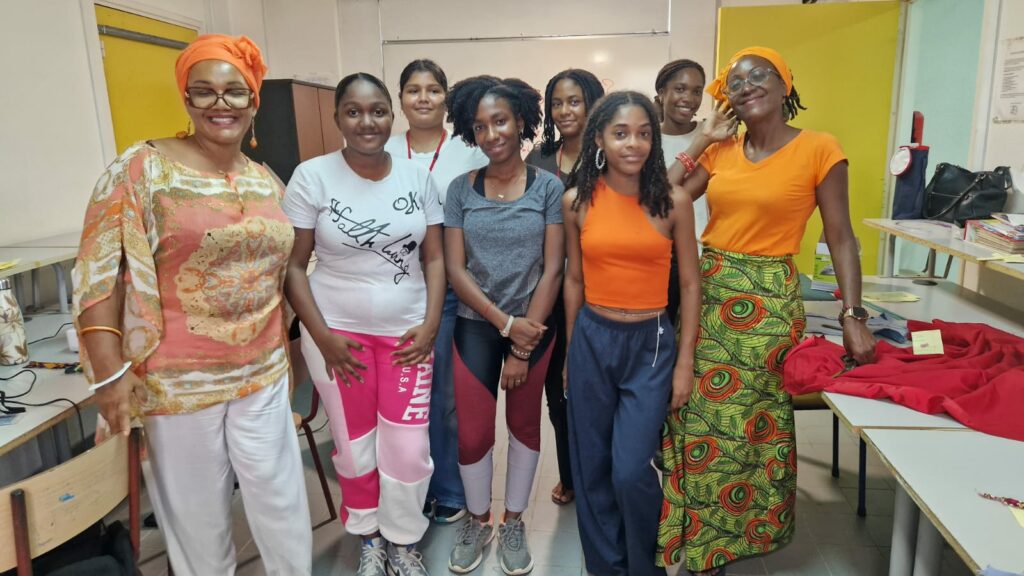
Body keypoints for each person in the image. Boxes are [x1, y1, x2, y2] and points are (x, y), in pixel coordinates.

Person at [72, 34, 312, 576]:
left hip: (262, 372)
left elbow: (286, 269)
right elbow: (97, 274)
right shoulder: (142, 169)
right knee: (199, 523)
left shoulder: (264, 178)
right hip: (177, 384)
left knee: (282, 507)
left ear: (254, 101)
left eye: (235, 91)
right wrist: (110, 377)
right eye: (204, 91)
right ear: (186, 98)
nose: (220, 104)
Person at [656, 47, 876, 576]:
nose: (747, 85)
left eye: (760, 75)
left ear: (785, 85)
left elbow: (841, 237)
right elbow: (659, 204)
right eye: (735, 81)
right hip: (710, 294)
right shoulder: (721, 150)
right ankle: (696, 542)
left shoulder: (820, 149)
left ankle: (724, 545)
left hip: (770, 304)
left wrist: (852, 315)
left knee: (745, 429)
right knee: (692, 421)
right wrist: (701, 140)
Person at [283, 72, 445, 576]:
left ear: (391, 115)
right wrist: (324, 338)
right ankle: (369, 536)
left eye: (377, 111)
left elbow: (435, 258)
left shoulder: (417, 177)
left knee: (408, 447)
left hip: (407, 336)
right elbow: (293, 267)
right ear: (338, 118)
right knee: (355, 447)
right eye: (353, 111)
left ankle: (404, 539)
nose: (366, 121)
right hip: (336, 336)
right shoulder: (312, 176)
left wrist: (431, 324)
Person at [562, 90, 701, 576]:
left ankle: (646, 566)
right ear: (599, 139)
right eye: (620, 133)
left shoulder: (674, 202)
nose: (633, 144)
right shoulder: (577, 201)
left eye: (644, 134)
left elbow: (690, 284)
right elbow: (574, 281)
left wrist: (684, 364)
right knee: (593, 467)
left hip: (652, 344)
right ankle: (607, 567)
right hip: (592, 339)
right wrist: (570, 353)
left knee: (629, 469)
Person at [443, 75, 564, 575]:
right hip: (477, 325)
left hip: (534, 329)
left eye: (500, 121)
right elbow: (455, 269)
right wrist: (504, 324)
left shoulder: (548, 187)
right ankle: (478, 521)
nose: (492, 134)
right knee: (473, 436)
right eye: (480, 126)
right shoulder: (460, 190)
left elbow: (553, 269)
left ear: (521, 122)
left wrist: (521, 343)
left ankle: (513, 522)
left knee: (524, 426)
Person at [384, 59, 488, 525]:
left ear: (446, 97)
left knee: (442, 396)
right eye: (413, 90)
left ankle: (446, 488)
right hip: (391, 289)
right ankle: (405, 485)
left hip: (446, 289)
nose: (423, 98)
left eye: (432, 89)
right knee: (400, 396)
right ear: (400, 99)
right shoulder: (382, 149)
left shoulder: (469, 152)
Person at [525, 68, 605, 507]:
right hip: (550, 290)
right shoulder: (539, 159)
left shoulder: (610, 155)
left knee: (599, 392)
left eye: (574, 101)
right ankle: (571, 476)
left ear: (593, 104)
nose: (565, 110)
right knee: (559, 392)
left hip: (604, 292)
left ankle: (601, 477)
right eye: (557, 103)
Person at [654, 59, 709, 326]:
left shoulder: (713, 135)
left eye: (697, 91)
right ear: (661, 93)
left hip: (705, 261)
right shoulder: (646, 139)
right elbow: (655, 202)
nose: (689, 98)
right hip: (658, 262)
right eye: (680, 89)